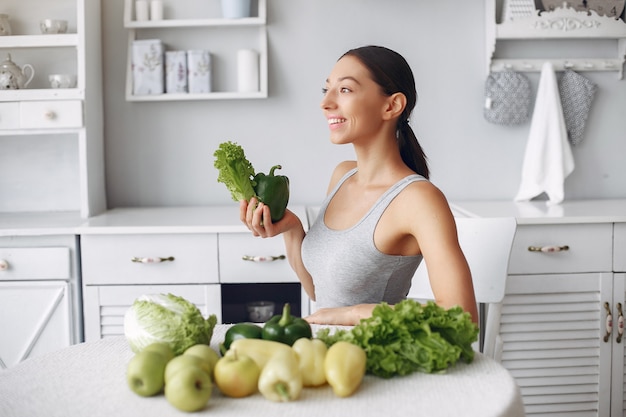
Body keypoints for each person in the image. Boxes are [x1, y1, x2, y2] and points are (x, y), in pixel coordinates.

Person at [240, 45, 478, 326]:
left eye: (345, 90)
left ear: (391, 106)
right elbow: (321, 292)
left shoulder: (418, 199)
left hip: (374, 361)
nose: (325, 103)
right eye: (326, 90)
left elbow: (463, 317)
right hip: (327, 353)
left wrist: (351, 315)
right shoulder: (342, 176)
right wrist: (292, 229)